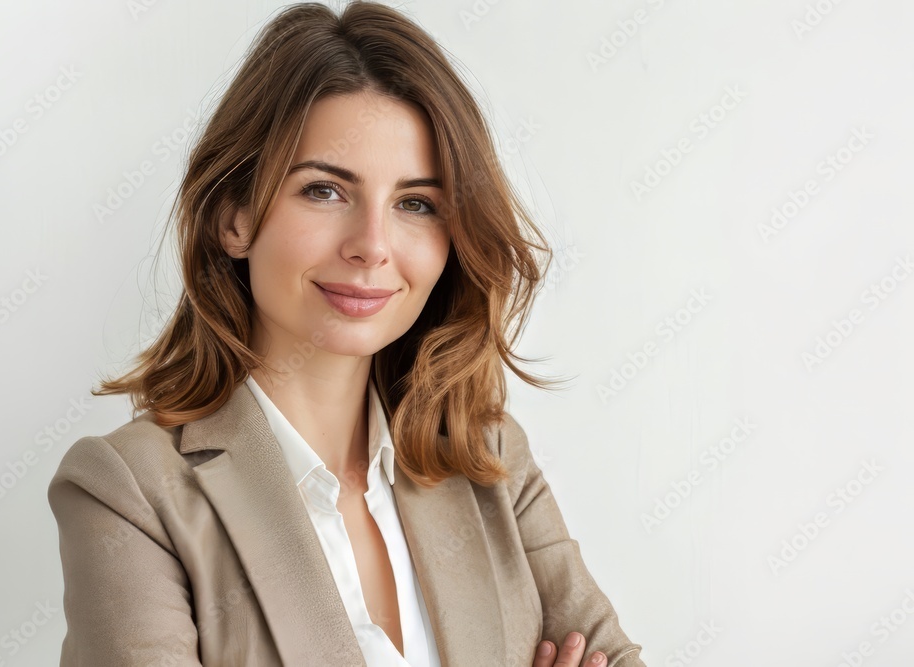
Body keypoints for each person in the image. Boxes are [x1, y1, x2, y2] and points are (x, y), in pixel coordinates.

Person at [46, 2, 645, 665]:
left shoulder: (491, 461)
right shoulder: (129, 492)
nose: (372, 246)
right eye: (325, 191)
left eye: (416, 204)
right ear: (234, 216)